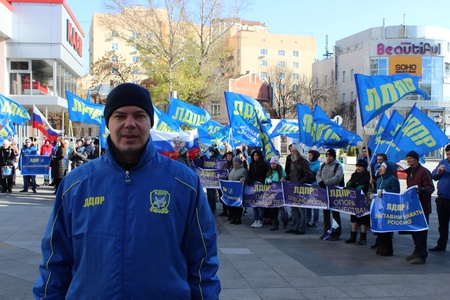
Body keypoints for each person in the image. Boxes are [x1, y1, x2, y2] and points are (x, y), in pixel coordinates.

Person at [33, 83, 220, 299]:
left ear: (150, 123)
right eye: (120, 116)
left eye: (139, 115)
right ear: (108, 123)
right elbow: (54, 262)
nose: (129, 124)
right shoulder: (75, 185)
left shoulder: (184, 183)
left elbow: (203, 263)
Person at [404, 150, 435, 264]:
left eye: (411, 158)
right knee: (414, 231)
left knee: (421, 232)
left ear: (416, 159)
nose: (408, 160)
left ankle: (422, 254)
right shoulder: (410, 172)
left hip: (422, 207)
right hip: (413, 207)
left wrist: (420, 190)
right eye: (407, 158)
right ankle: (416, 251)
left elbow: (430, 188)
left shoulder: (423, 171)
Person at [284, 144, 314, 235]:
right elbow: (292, 174)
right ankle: (294, 226)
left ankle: (301, 228)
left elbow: (309, 175)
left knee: (301, 209)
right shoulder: (293, 162)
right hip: (293, 188)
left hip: (301, 189)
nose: (291, 153)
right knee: (294, 208)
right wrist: (286, 178)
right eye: (291, 151)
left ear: (297, 152)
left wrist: (300, 182)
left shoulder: (304, 162)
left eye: (293, 151)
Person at [317, 148, 344, 241]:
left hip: (334, 192)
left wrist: (325, 182)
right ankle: (326, 231)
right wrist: (320, 181)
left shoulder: (338, 166)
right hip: (325, 192)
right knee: (326, 213)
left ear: (334, 157)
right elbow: (318, 175)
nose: (328, 158)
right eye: (327, 156)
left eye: (330, 156)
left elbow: (337, 178)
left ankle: (336, 233)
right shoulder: (323, 165)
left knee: (335, 213)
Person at [374, 161, 400, 256]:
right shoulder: (379, 179)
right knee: (380, 229)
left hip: (388, 208)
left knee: (386, 230)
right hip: (380, 207)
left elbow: (396, 192)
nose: (380, 169)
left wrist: (384, 191)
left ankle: (388, 249)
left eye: (382, 167)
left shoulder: (392, 179)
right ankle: (382, 246)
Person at [345, 159, 371, 245]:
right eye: (358, 166)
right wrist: (349, 184)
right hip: (355, 199)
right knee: (354, 218)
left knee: (364, 218)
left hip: (363, 199)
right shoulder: (354, 174)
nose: (359, 168)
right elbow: (350, 182)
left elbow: (370, 186)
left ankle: (363, 237)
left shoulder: (368, 175)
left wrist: (363, 187)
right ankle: (353, 236)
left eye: (361, 166)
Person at [430, 144, 450, 252]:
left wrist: (446, 171)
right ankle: (441, 245)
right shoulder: (443, 162)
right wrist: (438, 171)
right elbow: (433, 176)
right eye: (447, 154)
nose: (448, 156)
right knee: (442, 224)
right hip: (442, 198)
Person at [247, 149, 270, 228]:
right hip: (253, 187)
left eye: (257, 155)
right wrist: (248, 181)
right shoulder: (251, 164)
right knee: (254, 204)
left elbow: (267, 175)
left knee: (260, 204)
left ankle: (260, 220)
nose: (255, 157)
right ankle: (255, 219)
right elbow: (249, 174)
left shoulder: (264, 165)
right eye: (254, 155)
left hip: (261, 187)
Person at [265, 156, 287, 230]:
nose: (272, 165)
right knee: (273, 210)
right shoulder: (270, 171)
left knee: (281, 210)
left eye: (274, 164)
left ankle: (285, 220)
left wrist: (283, 179)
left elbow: (285, 177)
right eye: (271, 164)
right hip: (272, 193)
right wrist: (267, 180)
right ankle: (275, 225)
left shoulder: (281, 171)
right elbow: (266, 179)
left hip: (280, 193)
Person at [226, 156, 248, 225]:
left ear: (239, 163)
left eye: (236, 162)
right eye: (233, 162)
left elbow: (246, 177)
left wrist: (243, 179)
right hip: (232, 190)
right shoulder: (233, 169)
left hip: (238, 190)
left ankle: (238, 218)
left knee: (238, 205)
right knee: (232, 205)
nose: (234, 163)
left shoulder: (243, 170)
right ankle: (234, 217)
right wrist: (220, 178)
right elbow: (228, 177)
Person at [307, 150, 321, 229]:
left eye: (311, 155)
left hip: (314, 187)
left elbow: (318, 178)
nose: (309, 157)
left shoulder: (317, 166)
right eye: (309, 155)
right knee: (308, 204)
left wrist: (314, 184)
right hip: (308, 186)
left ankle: (315, 222)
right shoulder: (309, 164)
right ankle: (308, 220)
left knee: (315, 206)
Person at [218, 151, 234, 217]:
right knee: (223, 197)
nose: (228, 157)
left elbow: (230, 174)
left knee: (230, 198)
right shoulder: (225, 164)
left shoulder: (233, 164)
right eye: (227, 156)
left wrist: (223, 176)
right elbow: (222, 172)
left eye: (230, 156)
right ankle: (224, 211)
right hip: (224, 183)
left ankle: (230, 213)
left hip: (230, 183)